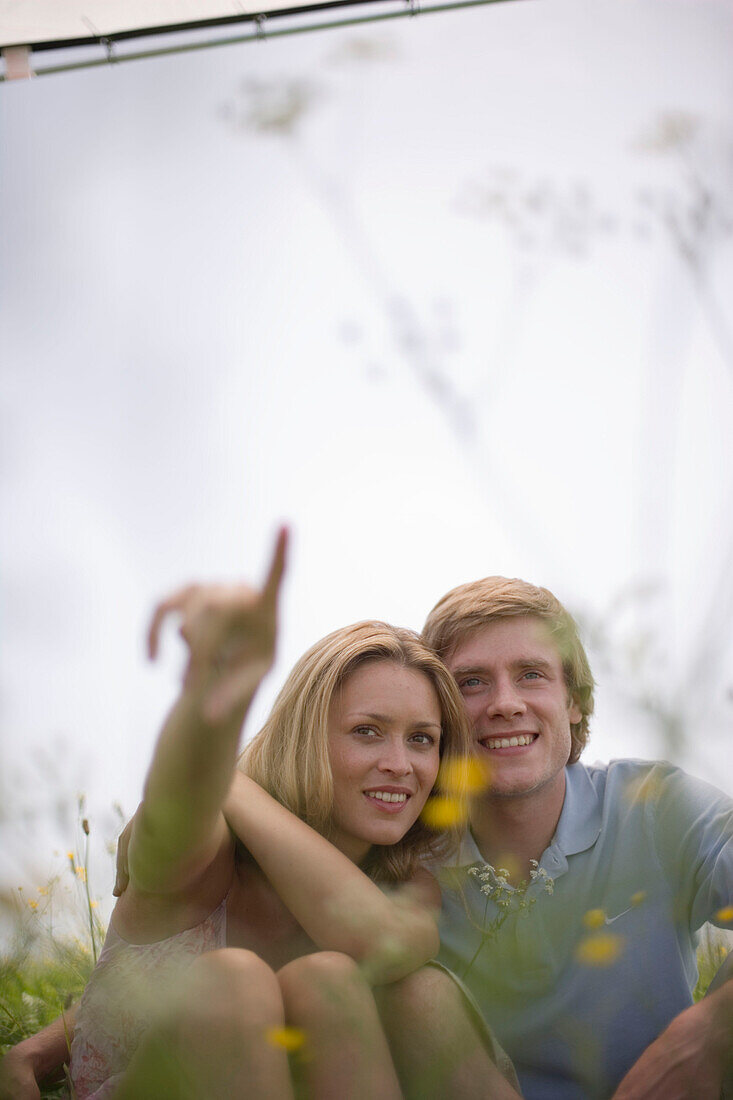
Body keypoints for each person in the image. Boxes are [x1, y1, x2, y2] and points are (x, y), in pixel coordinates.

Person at [0, 534, 520, 1100]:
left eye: (422, 739)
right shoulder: (210, 857)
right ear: (303, 738)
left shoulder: (409, 888)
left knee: (331, 979)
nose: (400, 765)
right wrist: (210, 701)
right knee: (236, 981)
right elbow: (178, 810)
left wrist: (228, 782)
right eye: (366, 732)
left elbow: (379, 941)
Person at [421, 574, 733, 1100]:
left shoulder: (654, 805)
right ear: (439, 713)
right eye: (471, 682)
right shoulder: (406, 850)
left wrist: (708, 1034)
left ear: (575, 702)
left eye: (531, 675)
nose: (505, 703)